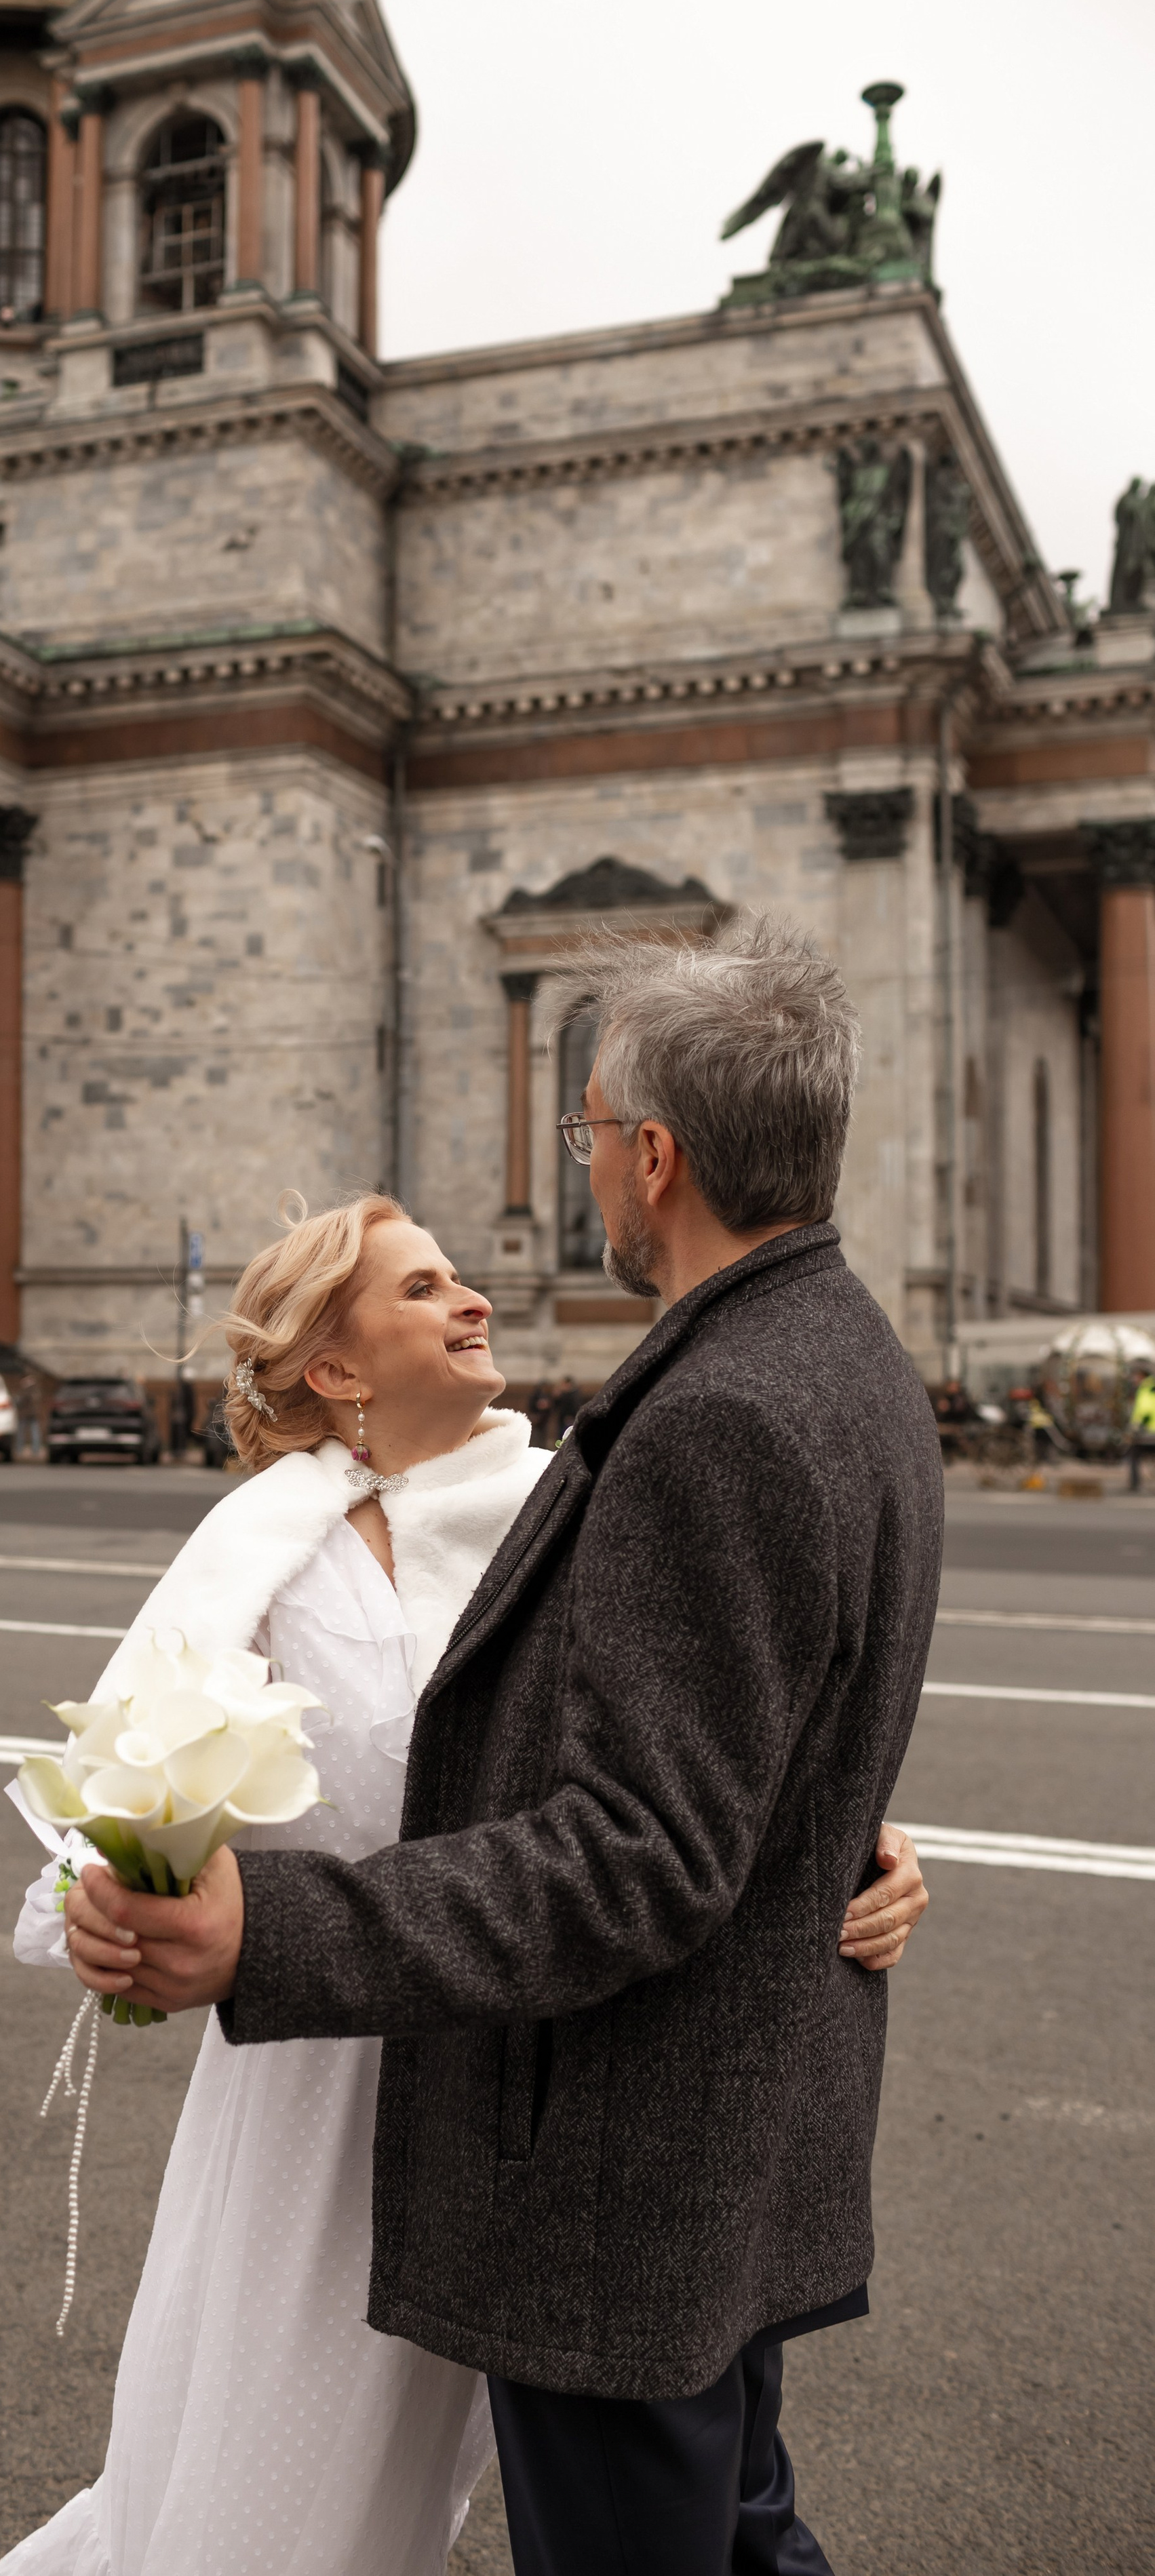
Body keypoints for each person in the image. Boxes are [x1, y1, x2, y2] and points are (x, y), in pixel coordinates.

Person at [68, 916, 945, 2576]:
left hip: (621, 2156)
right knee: (738, 2533)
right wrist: (834, 1839)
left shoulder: (713, 1415)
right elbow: (742, 1729)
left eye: (588, 1129)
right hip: (651, 2133)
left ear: (654, 1153)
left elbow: (635, 1843)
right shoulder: (847, 1362)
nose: (584, 1169)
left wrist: (272, 1925)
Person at [1129, 1363, 1155, 1493]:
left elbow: (1145, 1410)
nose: (1135, 1379)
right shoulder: (1150, 1387)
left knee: (1134, 1455)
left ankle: (1135, 1484)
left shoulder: (1146, 1388)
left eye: (1137, 1376)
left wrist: (1137, 1426)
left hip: (1148, 1431)